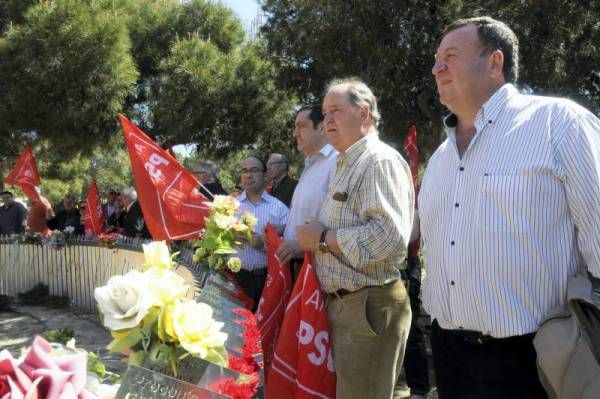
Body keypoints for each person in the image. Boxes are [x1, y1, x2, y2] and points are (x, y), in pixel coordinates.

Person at [420, 16, 600, 399]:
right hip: (450, 356)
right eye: (436, 59)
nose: (437, 67)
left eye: (450, 56)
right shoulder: (439, 158)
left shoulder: (559, 124)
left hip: (535, 360)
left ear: (495, 62)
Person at [296, 78, 414, 399]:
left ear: (363, 114)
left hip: (368, 307)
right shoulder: (345, 163)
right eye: (324, 112)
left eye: (335, 110)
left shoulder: (379, 161)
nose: (327, 119)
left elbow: (388, 239)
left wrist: (322, 237)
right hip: (348, 306)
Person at [275, 105, 337, 279]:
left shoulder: (336, 162)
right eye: (295, 127)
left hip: (317, 271)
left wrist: (302, 247)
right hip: (297, 267)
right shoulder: (309, 164)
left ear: (322, 128)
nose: (295, 133)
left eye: (301, 126)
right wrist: (282, 229)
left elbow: (337, 223)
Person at [235, 155, 289, 309]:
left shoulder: (279, 209)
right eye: (244, 171)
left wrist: (263, 245)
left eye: (254, 170)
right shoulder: (230, 206)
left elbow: (289, 248)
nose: (248, 175)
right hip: (235, 279)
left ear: (265, 175)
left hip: (266, 280)